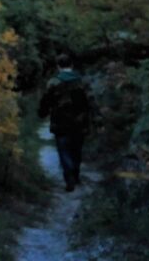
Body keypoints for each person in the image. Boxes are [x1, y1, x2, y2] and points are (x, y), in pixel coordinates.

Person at [39, 55, 92, 192]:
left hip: (60, 121)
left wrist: (42, 112)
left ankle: (69, 178)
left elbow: (47, 100)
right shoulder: (82, 81)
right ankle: (76, 174)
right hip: (80, 121)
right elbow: (89, 102)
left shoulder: (53, 82)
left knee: (64, 150)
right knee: (77, 149)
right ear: (72, 65)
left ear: (58, 66)